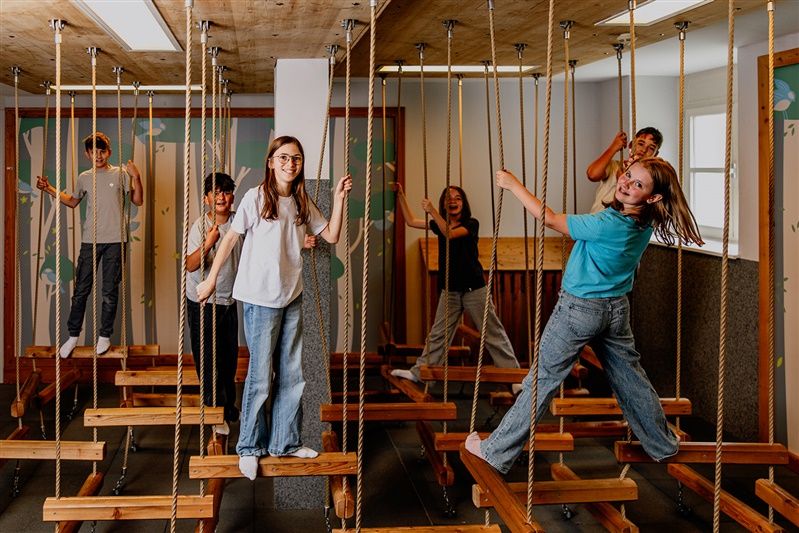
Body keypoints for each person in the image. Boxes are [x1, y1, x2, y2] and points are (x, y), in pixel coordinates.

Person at [465, 157, 703, 474]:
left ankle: (495, 451)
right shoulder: (645, 224)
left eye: (638, 185)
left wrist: (513, 185)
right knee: (631, 378)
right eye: (628, 176)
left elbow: (548, 218)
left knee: (541, 381)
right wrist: (632, 169)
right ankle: (661, 444)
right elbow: (626, 193)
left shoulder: (607, 225)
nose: (626, 183)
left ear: (653, 197)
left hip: (579, 309)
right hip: (616, 309)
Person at [196, 135, 352, 480]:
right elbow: (231, 239)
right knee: (260, 376)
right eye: (283, 158)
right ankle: (249, 446)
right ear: (271, 162)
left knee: (294, 375)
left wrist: (340, 199)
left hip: (290, 297)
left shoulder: (301, 201)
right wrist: (210, 281)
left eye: (295, 158)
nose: (289, 164)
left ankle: (285, 441)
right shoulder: (256, 197)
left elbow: (333, 235)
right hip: (258, 299)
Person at [390, 184, 520, 385]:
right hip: (450, 290)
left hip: (474, 289)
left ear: (463, 203)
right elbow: (411, 221)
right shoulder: (440, 224)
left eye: (458, 198)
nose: (453, 201)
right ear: (444, 203)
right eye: (449, 198)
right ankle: (420, 372)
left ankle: (514, 377)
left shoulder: (471, 224)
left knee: (492, 332)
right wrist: (401, 196)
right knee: (438, 334)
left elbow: (449, 234)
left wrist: (432, 210)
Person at [37, 132, 144, 358]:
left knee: (109, 292)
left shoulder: (121, 174)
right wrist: (49, 189)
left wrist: (136, 177)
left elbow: (138, 201)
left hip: (116, 240)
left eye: (102, 151)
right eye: (93, 152)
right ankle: (73, 335)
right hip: (90, 240)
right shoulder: (84, 177)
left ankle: (104, 336)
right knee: (81, 291)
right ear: (87, 154)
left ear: (109, 152)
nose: (98, 155)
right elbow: (73, 202)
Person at [186, 172, 241, 436]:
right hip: (203, 302)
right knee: (208, 361)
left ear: (232, 197)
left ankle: (228, 407)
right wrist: (208, 243)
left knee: (229, 360)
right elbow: (190, 264)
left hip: (228, 300)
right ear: (206, 198)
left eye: (226, 191)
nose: (221, 196)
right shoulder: (199, 226)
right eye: (215, 192)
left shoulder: (240, 223)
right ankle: (214, 412)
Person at [587, 127, 662, 214]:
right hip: (597, 221)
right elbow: (592, 175)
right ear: (631, 145)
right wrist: (614, 147)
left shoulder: (650, 180)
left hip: (623, 225)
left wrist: (622, 179)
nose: (644, 150)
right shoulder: (615, 166)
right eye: (641, 144)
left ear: (655, 154)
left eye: (651, 148)